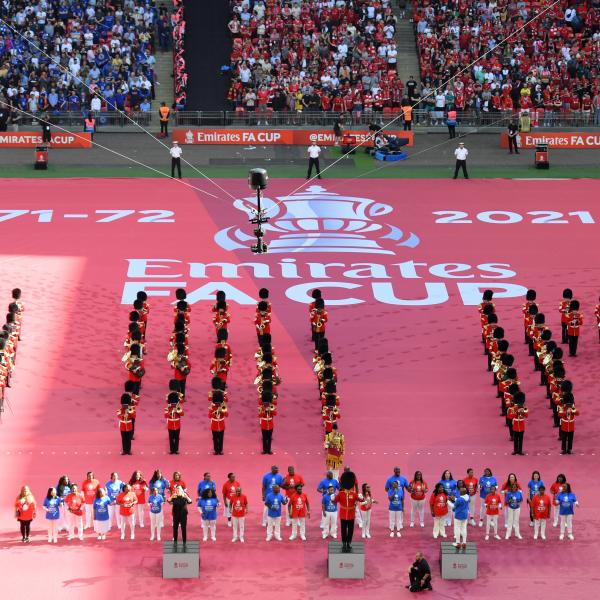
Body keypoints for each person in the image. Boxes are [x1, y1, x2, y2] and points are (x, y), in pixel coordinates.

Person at [335, 471, 361, 552]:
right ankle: (344, 543)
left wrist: (361, 497)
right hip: (343, 515)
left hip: (351, 515)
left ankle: (349, 543)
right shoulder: (340, 494)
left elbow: (360, 500)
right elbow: (334, 501)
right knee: (343, 530)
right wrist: (332, 497)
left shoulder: (354, 494)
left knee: (350, 530)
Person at [448, 482, 470, 548]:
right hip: (465, 515)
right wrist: (454, 499)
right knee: (464, 528)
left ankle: (457, 543)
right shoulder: (468, 497)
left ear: (462, 493)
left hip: (458, 515)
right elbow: (459, 500)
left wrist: (448, 502)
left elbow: (453, 506)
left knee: (457, 529)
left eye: (460, 492)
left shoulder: (459, 499)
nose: (459, 493)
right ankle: (464, 542)